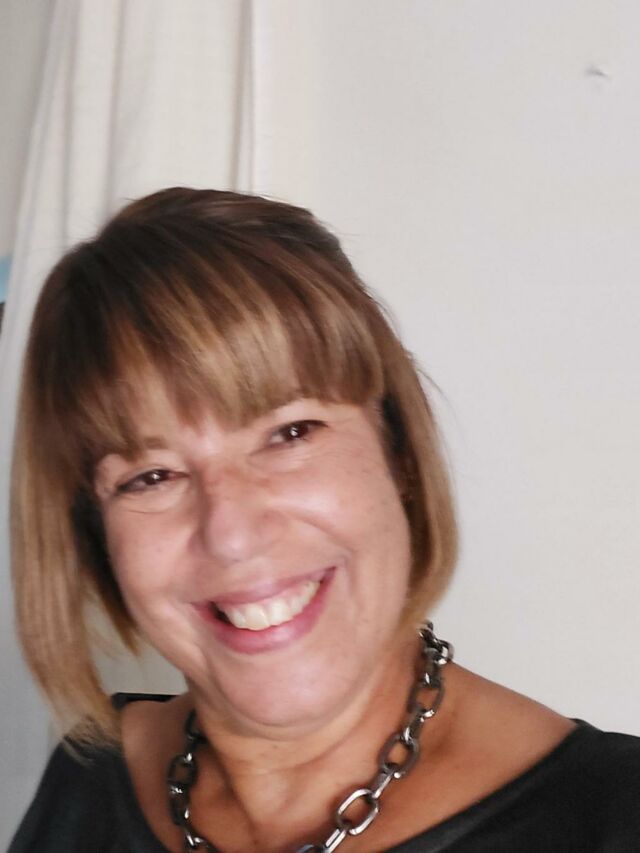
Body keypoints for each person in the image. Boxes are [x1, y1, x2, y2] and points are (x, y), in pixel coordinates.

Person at [8, 187, 640, 853]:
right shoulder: (87, 777)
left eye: (289, 433)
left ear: (397, 450)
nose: (232, 534)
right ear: (96, 537)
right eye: (151, 476)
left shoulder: (615, 817)